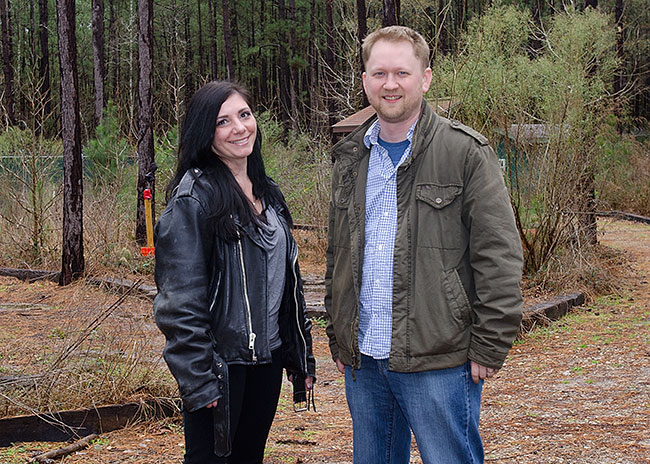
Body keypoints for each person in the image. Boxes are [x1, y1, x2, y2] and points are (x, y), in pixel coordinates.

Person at [324, 26, 524, 463]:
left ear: (426, 77)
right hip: (365, 360)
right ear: (365, 81)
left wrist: (491, 342)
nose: (390, 84)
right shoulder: (350, 157)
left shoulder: (465, 152)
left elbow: (500, 254)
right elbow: (337, 252)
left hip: (440, 358)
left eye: (402, 72)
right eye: (378, 73)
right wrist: (338, 335)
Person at [154, 80, 316, 464]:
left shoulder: (268, 193)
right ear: (205, 134)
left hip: (267, 361)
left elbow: (286, 284)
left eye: (244, 115)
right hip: (220, 367)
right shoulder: (194, 199)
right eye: (223, 121)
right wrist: (198, 379)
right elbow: (179, 302)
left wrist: (299, 355)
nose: (239, 128)